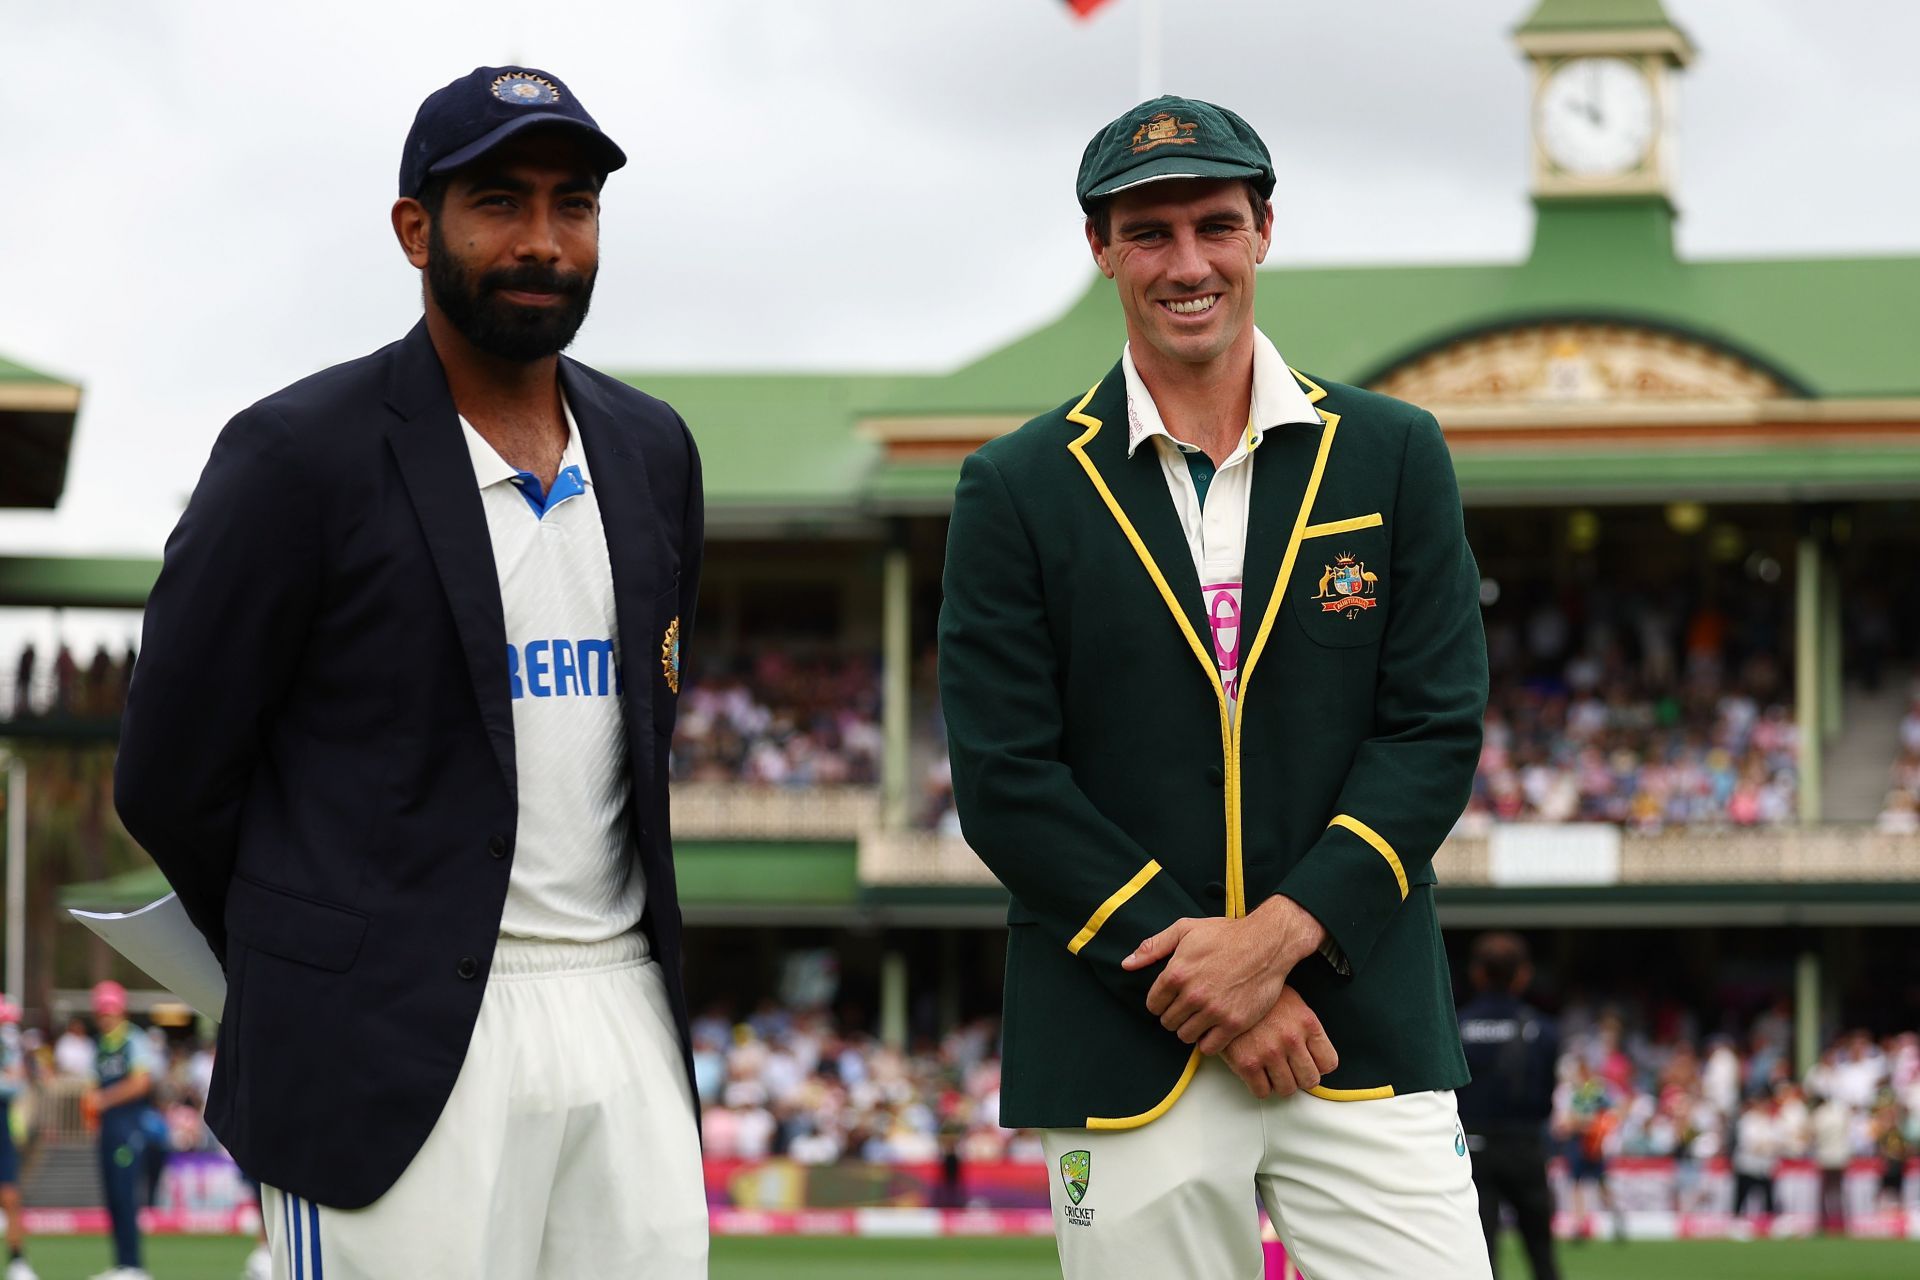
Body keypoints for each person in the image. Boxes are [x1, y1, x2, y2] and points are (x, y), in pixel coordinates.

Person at [114, 65, 706, 1279]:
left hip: (623, 1002)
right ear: (415, 227)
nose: (543, 240)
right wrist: (323, 949)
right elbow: (170, 775)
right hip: (385, 1035)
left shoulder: (653, 451)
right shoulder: (294, 455)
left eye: (574, 204)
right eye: (500, 201)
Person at [940, 95, 1490, 1279]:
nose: (1186, 262)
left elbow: (1434, 732)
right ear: (1100, 250)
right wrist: (1208, 975)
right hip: (1124, 1033)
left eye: (1213, 224)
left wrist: (1279, 943)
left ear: (1263, 232)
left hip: (1359, 1018)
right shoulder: (1017, 484)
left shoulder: (1393, 452)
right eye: (1149, 232)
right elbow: (1005, 781)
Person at [1456, 934, 1560, 1280]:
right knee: (1541, 1254)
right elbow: (1547, 1094)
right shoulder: (1542, 1030)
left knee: (1480, 1256)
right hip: (1524, 1148)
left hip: (1472, 1151)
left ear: (1477, 974)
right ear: (1523, 975)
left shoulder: (1456, 1028)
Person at [86, 981, 159, 1280]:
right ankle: (122, 1263)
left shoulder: (133, 1040)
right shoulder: (101, 1045)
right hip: (108, 1128)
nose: (105, 1016)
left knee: (125, 1193)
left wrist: (103, 1100)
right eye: (101, 1011)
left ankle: (133, 1266)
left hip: (129, 1126)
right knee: (113, 1195)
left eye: (110, 1010)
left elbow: (142, 1083)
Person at [0, 1000, 37, 1280]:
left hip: (3, 1120)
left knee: (10, 1195)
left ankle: (17, 1261)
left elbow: (15, 1084)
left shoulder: (8, 1039)